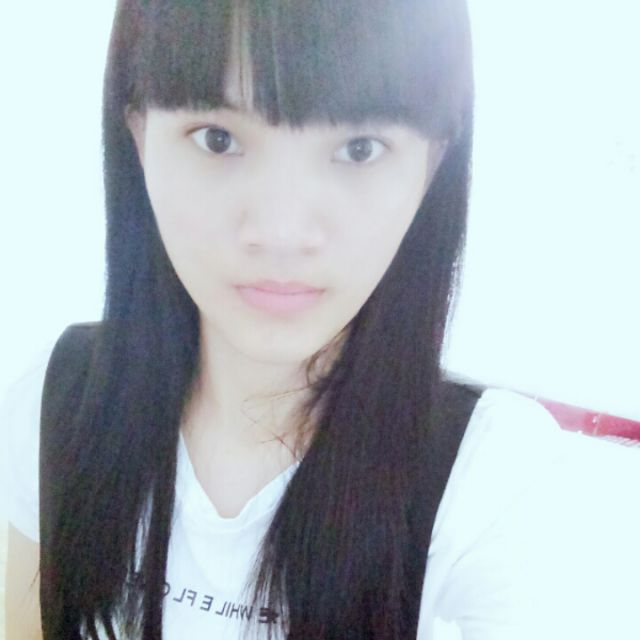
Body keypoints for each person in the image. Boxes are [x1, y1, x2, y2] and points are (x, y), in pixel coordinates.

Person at [3, 1, 640, 639]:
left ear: (432, 163)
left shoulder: (496, 487)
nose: (282, 231)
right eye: (218, 138)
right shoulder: (55, 404)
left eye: (359, 149)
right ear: (139, 135)